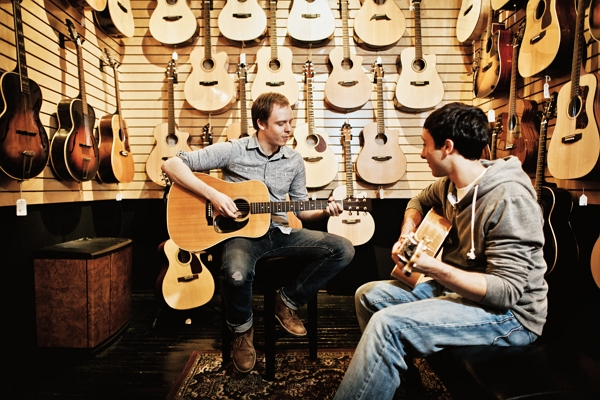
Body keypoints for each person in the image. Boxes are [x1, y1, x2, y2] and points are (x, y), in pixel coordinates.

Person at [334, 102, 548, 399]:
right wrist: (408, 231)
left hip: (510, 317)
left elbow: (505, 292)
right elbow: (418, 202)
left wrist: (432, 267)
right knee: (368, 296)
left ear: (447, 147)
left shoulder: (508, 197)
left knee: (387, 324)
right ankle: (403, 390)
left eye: (425, 145)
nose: (422, 154)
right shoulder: (451, 185)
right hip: (459, 292)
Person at [161, 92, 355, 373]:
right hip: (241, 236)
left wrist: (326, 210)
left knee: (343, 249)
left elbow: (302, 211)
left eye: (290, 122)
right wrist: (214, 195)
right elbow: (171, 164)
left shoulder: (294, 160)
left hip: (280, 233)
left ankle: (285, 301)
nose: (289, 129)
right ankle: (242, 331)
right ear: (261, 123)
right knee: (235, 274)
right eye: (281, 123)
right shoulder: (235, 150)